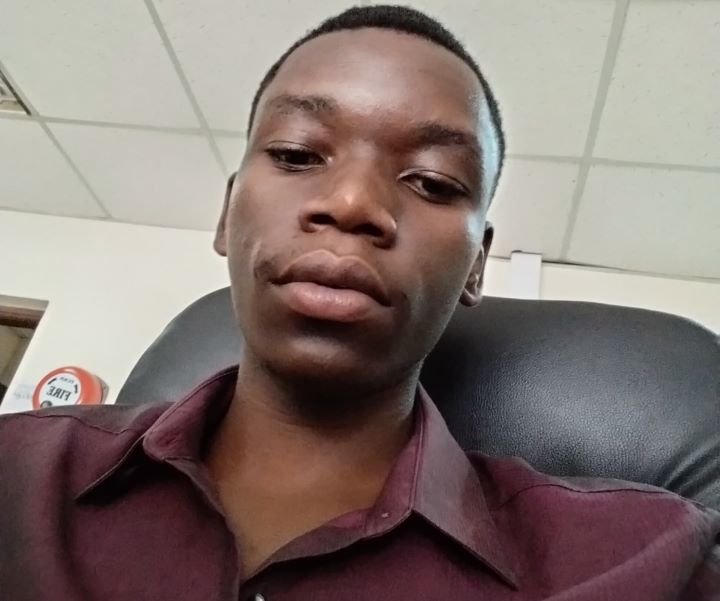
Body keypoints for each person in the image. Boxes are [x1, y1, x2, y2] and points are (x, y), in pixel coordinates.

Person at [0, 5, 718, 600]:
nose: (350, 203)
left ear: (476, 265)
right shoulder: (19, 472)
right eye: (297, 154)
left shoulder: (641, 561)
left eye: (433, 182)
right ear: (226, 215)